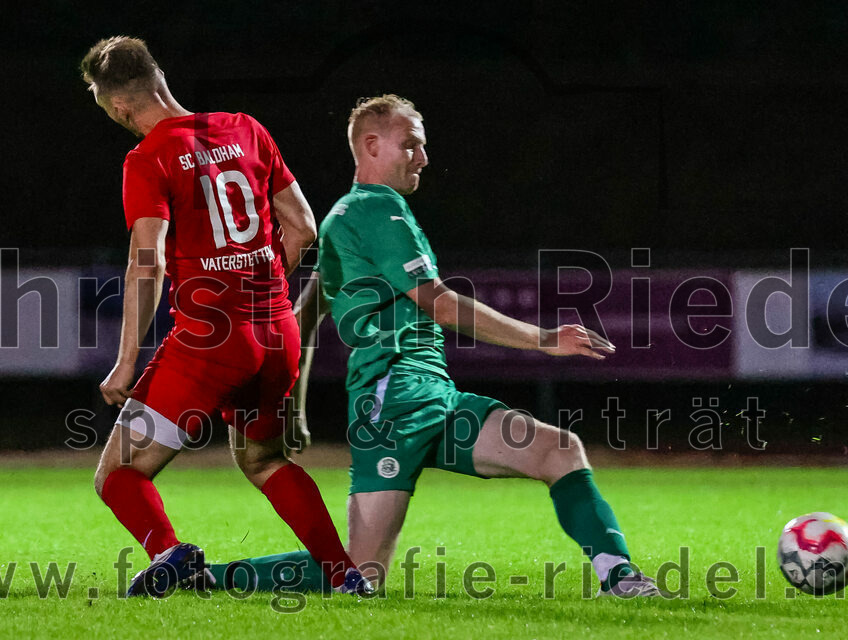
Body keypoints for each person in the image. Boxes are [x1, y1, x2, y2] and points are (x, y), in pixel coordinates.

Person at [211, 94, 661, 598]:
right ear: (371, 144)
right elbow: (440, 304)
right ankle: (204, 575)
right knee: (359, 574)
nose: (423, 158)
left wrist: (290, 406)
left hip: (432, 397)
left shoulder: (350, 217)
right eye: (412, 145)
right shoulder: (374, 209)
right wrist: (544, 339)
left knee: (558, 450)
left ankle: (619, 578)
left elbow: (303, 319)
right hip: (392, 404)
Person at [81, 36, 368, 596]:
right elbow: (304, 227)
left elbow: (148, 261)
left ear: (118, 106)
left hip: (210, 341)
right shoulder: (246, 128)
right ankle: (345, 574)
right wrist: (257, 290)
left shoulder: (148, 158)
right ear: (159, 79)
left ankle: (171, 554)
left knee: (118, 473)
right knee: (264, 460)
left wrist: (123, 362)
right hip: (277, 331)